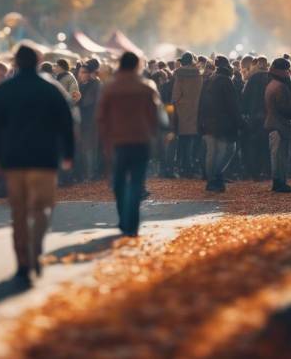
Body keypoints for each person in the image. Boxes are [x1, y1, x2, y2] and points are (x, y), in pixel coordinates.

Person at [0, 43, 75, 282]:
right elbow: (67, 122)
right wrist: (68, 153)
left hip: (13, 158)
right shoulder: (51, 88)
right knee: (43, 207)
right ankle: (36, 246)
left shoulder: (4, 89)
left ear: (15, 61)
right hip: (44, 158)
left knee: (19, 211)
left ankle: (23, 261)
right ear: (38, 60)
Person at [97, 52, 162, 237]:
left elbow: (101, 117)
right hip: (141, 140)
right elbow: (154, 116)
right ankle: (131, 223)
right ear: (137, 66)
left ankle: (123, 218)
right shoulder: (146, 87)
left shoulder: (110, 88)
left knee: (118, 182)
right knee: (136, 181)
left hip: (117, 140)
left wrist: (105, 139)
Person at [198, 56, 241, 192]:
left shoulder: (209, 80)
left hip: (208, 121)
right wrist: (240, 122)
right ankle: (215, 177)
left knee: (212, 152)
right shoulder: (226, 81)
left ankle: (212, 180)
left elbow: (201, 102)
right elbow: (231, 105)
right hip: (222, 123)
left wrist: (200, 121)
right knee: (227, 150)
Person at [265, 58, 291, 193]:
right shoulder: (281, 86)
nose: (289, 73)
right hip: (280, 125)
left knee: (277, 155)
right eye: (287, 70)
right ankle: (279, 182)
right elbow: (286, 108)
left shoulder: (272, 84)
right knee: (279, 156)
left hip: (274, 123)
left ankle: (279, 181)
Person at [171, 52, 203, 177]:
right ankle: (190, 166)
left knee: (182, 140)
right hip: (195, 108)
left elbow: (176, 93)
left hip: (181, 109)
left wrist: (174, 104)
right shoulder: (198, 74)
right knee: (192, 139)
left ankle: (183, 166)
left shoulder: (179, 75)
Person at [241, 56, 271, 180]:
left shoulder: (253, 78)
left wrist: (244, 112)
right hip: (268, 115)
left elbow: (245, 97)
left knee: (254, 145)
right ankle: (267, 171)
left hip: (254, 116)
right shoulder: (270, 77)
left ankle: (255, 172)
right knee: (266, 145)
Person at [77, 63, 101, 182]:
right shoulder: (81, 85)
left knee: (90, 148)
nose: (80, 75)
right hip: (83, 120)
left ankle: (91, 174)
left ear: (89, 73)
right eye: (80, 72)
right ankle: (86, 173)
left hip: (91, 120)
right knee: (84, 148)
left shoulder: (95, 84)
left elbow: (90, 102)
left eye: (83, 72)